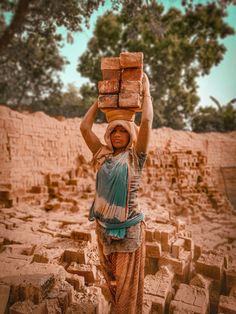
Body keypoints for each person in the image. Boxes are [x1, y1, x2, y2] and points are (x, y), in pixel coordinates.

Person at [80, 73, 153, 314]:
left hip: (128, 231)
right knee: (112, 286)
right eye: (113, 131)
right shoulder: (102, 155)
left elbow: (148, 122)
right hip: (103, 230)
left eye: (123, 131)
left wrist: (147, 91)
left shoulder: (135, 157)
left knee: (126, 291)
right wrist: (100, 100)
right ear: (108, 135)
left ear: (131, 134)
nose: (118, 135)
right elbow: (84, 127)